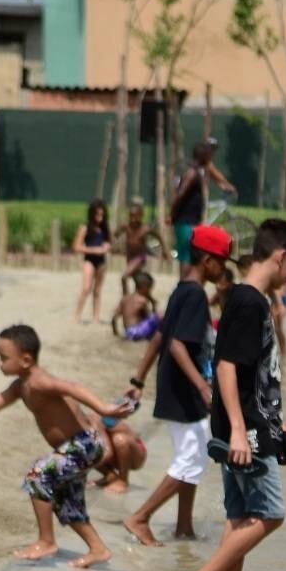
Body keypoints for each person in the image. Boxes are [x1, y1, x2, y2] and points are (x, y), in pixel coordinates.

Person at [178, 217, 286, 571]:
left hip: (247, 423)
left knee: (240, 516)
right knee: (271, 514)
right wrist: (238, 429)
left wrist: (278, 425)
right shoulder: (251, 301)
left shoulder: (242, 297)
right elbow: (229, 366)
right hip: (245, 428)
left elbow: (250, 371)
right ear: (282, 257)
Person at [0, 323, 130, 568]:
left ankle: (46, 541)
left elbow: (72, 387)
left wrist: (103, 408)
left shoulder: (39, 381)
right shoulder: (19, 386)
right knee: (66, 503)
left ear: (25, 359)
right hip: (76, 448)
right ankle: (98, 549)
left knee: (38, 476)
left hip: (84, 444)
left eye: (3, 358)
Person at [122, 223, 232, 546]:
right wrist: (202, 387)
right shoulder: (196, 296)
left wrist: (138, 379)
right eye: (222, 262)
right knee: (191, 458)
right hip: (184, 390)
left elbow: (160, 335)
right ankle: (140, 517)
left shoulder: (183, 288)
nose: (223, 269)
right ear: (208, 260)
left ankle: (184, 526)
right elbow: (177, 345)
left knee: (192, 455)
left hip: (173, 385)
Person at [171, 141, 236, 274]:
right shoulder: (192, 173)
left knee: (187, 255)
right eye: (208, 155)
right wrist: (171, 213)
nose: (210, 158)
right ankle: (183, 286)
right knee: (187, 256)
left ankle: (184, 285)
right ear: (202, 156)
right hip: (186, 221)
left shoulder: (196, 171)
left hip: (189, 221)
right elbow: (180, 194)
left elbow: (217, 177)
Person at [72, 200, 111, 324]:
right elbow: (76, 246)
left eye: (102, 215)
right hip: (89, 260)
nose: (100, 218)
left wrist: (106, 246)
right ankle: (77, 315)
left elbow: (109, 242)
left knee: (98, 291)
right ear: (92, 214)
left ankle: (96, 318)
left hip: (102, 261)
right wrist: (94, 250)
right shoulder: (85, 227)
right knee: (86, 288)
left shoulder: (105, 228)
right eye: (97, 214)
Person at [113, 200, 165, 293]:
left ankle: (126, 301)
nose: (132, 219)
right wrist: (112, 243)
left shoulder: (144, 229)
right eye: (130, 216)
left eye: (135, 216)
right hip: (129, 258)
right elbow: (114, 235)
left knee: (124, 277)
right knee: (138, 282)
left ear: (140, 216)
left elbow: (158, 236)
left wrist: (164, 250)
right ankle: (151, 301)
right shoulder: (126, 226)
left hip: (139, 258)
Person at [110, 270, 160, 341]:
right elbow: (148, 317)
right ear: (144, 288)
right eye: (149, 289)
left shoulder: (125, 299)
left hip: (128, 332)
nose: (150, 292)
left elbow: (114, 317)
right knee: (158, 317)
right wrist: (154, 305)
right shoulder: (142, 300)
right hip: (137, 332)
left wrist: (115, 332)